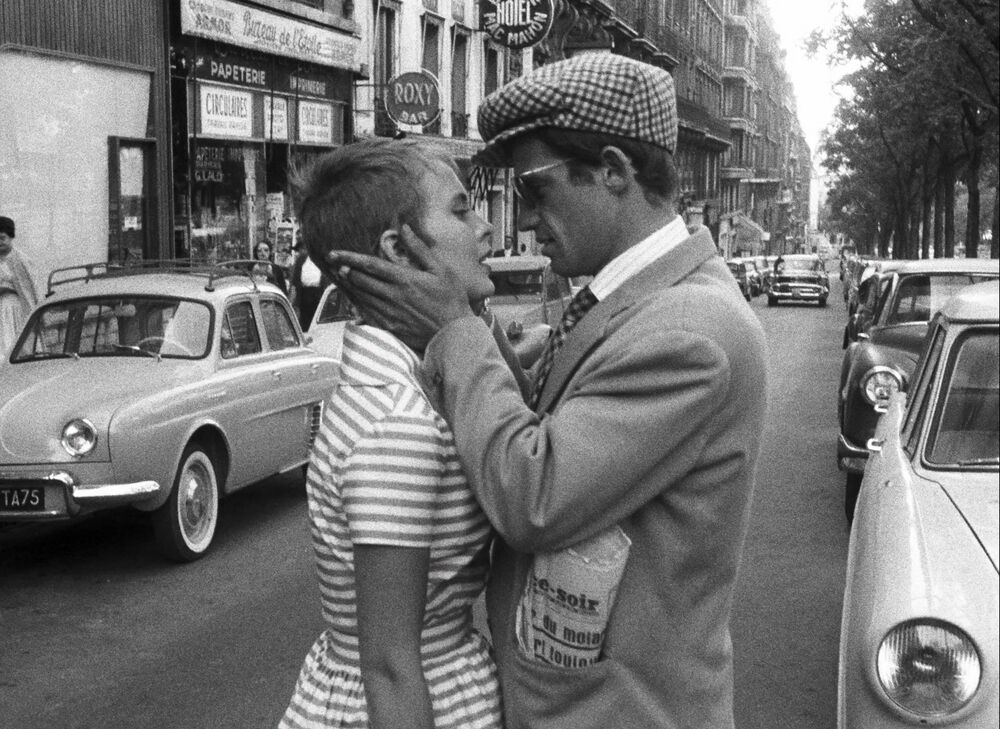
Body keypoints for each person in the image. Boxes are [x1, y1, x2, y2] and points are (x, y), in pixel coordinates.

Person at [326, 53, 768, 729]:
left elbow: (533, 494)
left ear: (614, 171)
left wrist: (454, 328)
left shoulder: (689, 332)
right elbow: (567, 423)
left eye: (535, 190)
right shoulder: (638, 301)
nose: (525, 219)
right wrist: (501, 354)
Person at [278, 138, 510, 729]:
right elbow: (388, 664)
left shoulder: (403, 388)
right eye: (461, 211)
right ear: (398, 249)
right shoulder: (396, 423)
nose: (485, 229)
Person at [0, 216, 38, 357]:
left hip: (18, 309)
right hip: (1, 311)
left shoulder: (22, 260)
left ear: (11, 237)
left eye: (2, 238)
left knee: (19, 346)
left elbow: (31, 289)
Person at [290, 242, 328, 331]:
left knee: (318, 323)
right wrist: (293, 300)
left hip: (319, 294)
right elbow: (295, 280)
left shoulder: (322, 260)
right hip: (304, 295)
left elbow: (326, 280)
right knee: (304, 323)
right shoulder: (301, 259)